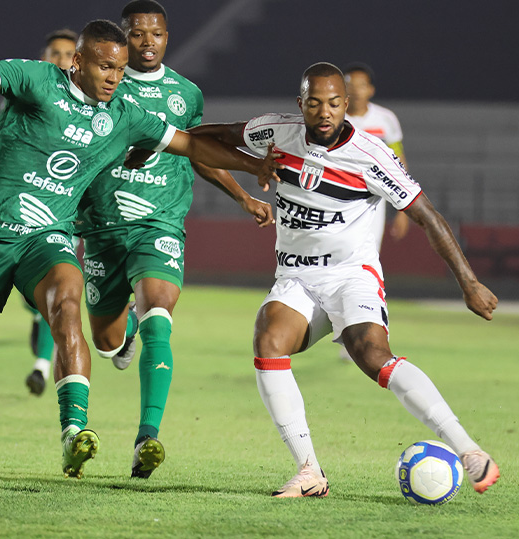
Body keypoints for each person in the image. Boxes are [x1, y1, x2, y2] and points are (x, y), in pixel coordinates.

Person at [0, 19, 280, 479]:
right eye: (106, 67)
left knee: (68, 302)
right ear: (77, 61)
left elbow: (190, 145)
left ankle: (73, 433)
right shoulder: (40, 81)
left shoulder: (124, 113)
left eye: (121, 70)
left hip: (47, 237)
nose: (114, 77)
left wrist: (253, 167)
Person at [191, 62, 500, 498]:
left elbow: (427, 216)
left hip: (350, 276)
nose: (324, 112)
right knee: (268, 341)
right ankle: (309, 471)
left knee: (371, 354)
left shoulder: (371, 156)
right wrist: (248, 165)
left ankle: (469, 450)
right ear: (301, 104)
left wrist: (468, 282)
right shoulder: (276, 131)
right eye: (314, 103)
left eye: (334, 103)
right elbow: (207, 138)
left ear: (347, 105)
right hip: (295, 277)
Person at [76, 0, 274, 479]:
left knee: (158, 316)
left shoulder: (185, 94)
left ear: (167, 37)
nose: (148, 43)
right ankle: (121, 338)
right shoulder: (99, 85)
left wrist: (242, 196)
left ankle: (148, 436)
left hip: (159, 223)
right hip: (101, 227)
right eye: (138, 34)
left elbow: (197, 151)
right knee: (106, 343)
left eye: (156, 34)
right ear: (123, 37)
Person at [0, 28, 78, 398]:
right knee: (34, 297)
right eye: (53, 52)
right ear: (42, 56)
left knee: (53, 286)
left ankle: (41, 366)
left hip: (62, 212)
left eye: (68, 53)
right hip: (18, 209)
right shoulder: (22, 99)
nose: (60, 59)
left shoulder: (93, 104)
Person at [343, 63, 410, 245]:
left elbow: (398, 161)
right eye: (350, 85)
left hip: (374, 196)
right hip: (337, 194)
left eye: (362, 85)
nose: (356, 91)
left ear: (371, 89)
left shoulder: (385, 119)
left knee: (369, 252)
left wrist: (402, 210)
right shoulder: (333, 118)